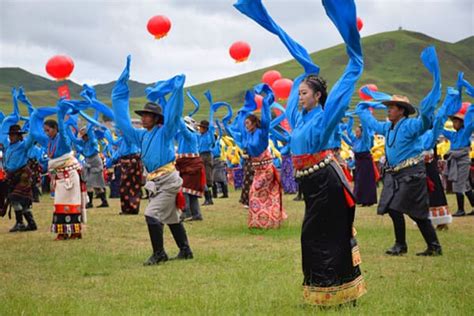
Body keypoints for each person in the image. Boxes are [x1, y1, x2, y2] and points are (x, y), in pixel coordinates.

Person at [112, 56, 193, 265]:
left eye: (148, 115)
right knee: (171, 217)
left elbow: (174, 115)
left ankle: (160, 254)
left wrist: (176, 92)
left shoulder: (165, 132)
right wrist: (119, 91)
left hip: (168, 180)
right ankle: (185, 250)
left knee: (151, 214)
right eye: (143, 115)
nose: (144, 117)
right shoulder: (142, 135)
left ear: (157, 118)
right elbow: (123, 123)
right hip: (156, 181)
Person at [240, 86, 286, 229]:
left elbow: (266, 118)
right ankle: (264, 222)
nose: (246, 125)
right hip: (257, 169)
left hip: (266, 169)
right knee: (263, 195)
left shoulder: (262, 132)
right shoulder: (248, 135)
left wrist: (266, 99)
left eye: (248, 123)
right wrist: (248, 104)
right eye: (245, 123)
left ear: (254, 123)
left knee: (255, 193)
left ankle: (264, 222)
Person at [2, 124, 37, 232]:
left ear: (18, 136)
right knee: (21, 200)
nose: (11, 137)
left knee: (15, 197)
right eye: (11, 135)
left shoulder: (23, 145)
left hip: (23, 174)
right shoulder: (8, 146)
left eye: (14, 135)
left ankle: (20, 223)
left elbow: (32, 138)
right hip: (12, 175)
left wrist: (34, 123)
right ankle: (31, 224)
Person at [443, 102, 474, 216]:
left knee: (458, 185)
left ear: (462, 123)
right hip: (456, 161)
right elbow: (442, 130)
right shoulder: (453, 135)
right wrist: (437, 121)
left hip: (462, 162)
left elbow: (470, 124)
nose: (454, 123)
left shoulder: (465, 133)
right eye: (453, 121)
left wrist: (471, 110)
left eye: (456, 121)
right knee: (465, 186)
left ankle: (461, 210)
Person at [68, 125, 109, 208]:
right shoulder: (83, 142)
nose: (82, 138)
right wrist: (67, 129)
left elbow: (90, 133)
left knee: (90, 184)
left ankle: (90, 203)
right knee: (96, 185)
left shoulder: (92, 141)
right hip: (88, 163)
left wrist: (90, 124)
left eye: (84, 136)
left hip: (95, 163)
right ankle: (104, 202)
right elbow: (74, 140)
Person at [175, 116, 205, 221]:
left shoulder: (191, 136)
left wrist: (177, 114)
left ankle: (186, 213)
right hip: (185, 165)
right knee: (191, 192)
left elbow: (183, 129)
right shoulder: (181, 136)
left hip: (192, 166)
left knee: (185, 189)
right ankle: (196, 214)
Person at [344, 121, 378, 207]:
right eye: (356, 132)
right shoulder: (355, 139)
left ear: (362, 132)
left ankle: (368, 201)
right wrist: (350, 119)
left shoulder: (365, 140)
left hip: (366, 162)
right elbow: (348, 132)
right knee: (358, 181)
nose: (356, 133)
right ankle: (359, 200)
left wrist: (364, 120)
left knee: (367, 181)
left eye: (358, 132)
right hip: (358, 162)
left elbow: (366, 131)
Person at [197, 120, 214, 205]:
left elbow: (211, 141)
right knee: (202, 177)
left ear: (205, 128)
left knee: (206, 177)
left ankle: (209, 198)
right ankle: (208, 198)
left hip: (206, 156)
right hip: (201, 155)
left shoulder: (208, 136)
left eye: (200, 127)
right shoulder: (200, 136)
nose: (199, 129)